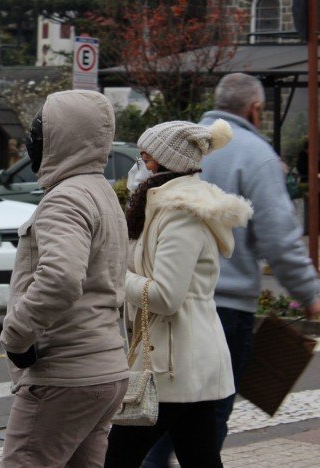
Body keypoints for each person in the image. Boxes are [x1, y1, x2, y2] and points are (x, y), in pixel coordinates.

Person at [143, 73, 320, 468]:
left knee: (157, 417)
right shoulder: (256, 155)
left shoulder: (182, 144)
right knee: (206, 419)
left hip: (162, 301)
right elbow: (279, 237)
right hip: (223, 310)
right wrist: (308, 294)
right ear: (255, 109)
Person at [104, 120, 252, 468]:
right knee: (199, 457)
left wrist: (113, 276)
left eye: (145, 158)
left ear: (167, 163)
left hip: (175, 362)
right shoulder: (158, 207)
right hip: (181, 360)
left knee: (118, 458)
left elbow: (165, 296)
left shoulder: (180, 214)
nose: (138, 168)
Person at [0, 90, 130, 467]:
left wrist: (16, 334)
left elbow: (60, 277)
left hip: (65, 373)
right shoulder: (101, 194)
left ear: (62, 137)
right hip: (104, 369)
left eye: (42, 129)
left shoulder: (66, 199)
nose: (33, 139)